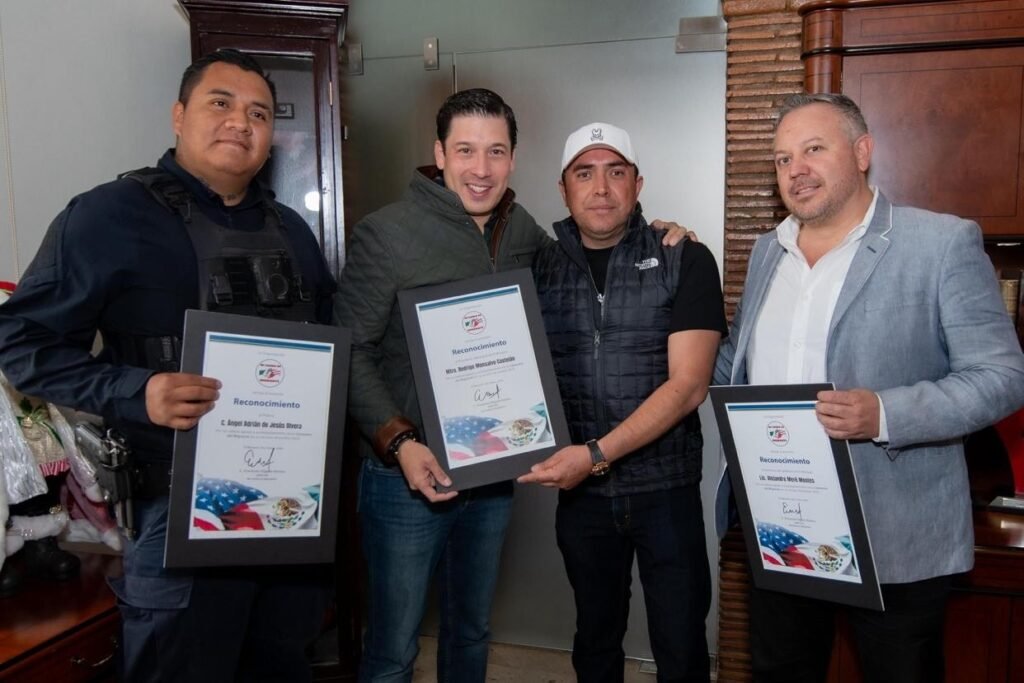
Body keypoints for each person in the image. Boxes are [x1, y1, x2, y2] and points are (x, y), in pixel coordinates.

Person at [0, 49, 336, 681]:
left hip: (289, 509)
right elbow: (21, 343)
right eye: (220, 103)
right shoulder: (106, 216)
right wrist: (139, 390)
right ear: (179, 115)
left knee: (282, 662)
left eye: (259, 113)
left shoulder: (293, 231)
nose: (240, 122)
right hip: (172, 511)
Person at [334, 91, 690, 682]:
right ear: (439, 154)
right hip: (406, 476)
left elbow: (585, 254)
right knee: (394, 648)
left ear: (513, 158)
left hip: (491, 471)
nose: (481, 169)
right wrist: (400, 443)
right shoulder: (387, 233)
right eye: (466, 151)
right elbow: (351, 352)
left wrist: (653, 232)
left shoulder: (519, 228)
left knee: (471, 629)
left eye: (495, 151)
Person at [713, 92, 1024, 682]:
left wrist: (884, 413)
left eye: (814, 149)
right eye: (782, 159)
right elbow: (736, 362)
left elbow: (1003, 376)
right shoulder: (767, 252)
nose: (796, 170)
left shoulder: (940, 244)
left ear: (862, 152)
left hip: (896, 533)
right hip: (783, 526)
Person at [518, 122, 726, 682]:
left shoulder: (685, 258)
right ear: (563, 188)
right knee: (595, 640)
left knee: (681, 645)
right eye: (584, 173)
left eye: (616, 172)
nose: (601, 188)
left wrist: (595, 455)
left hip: (664, 490)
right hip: (583, 499)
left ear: (638, 184)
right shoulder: (537, 269)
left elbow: (688, 386)